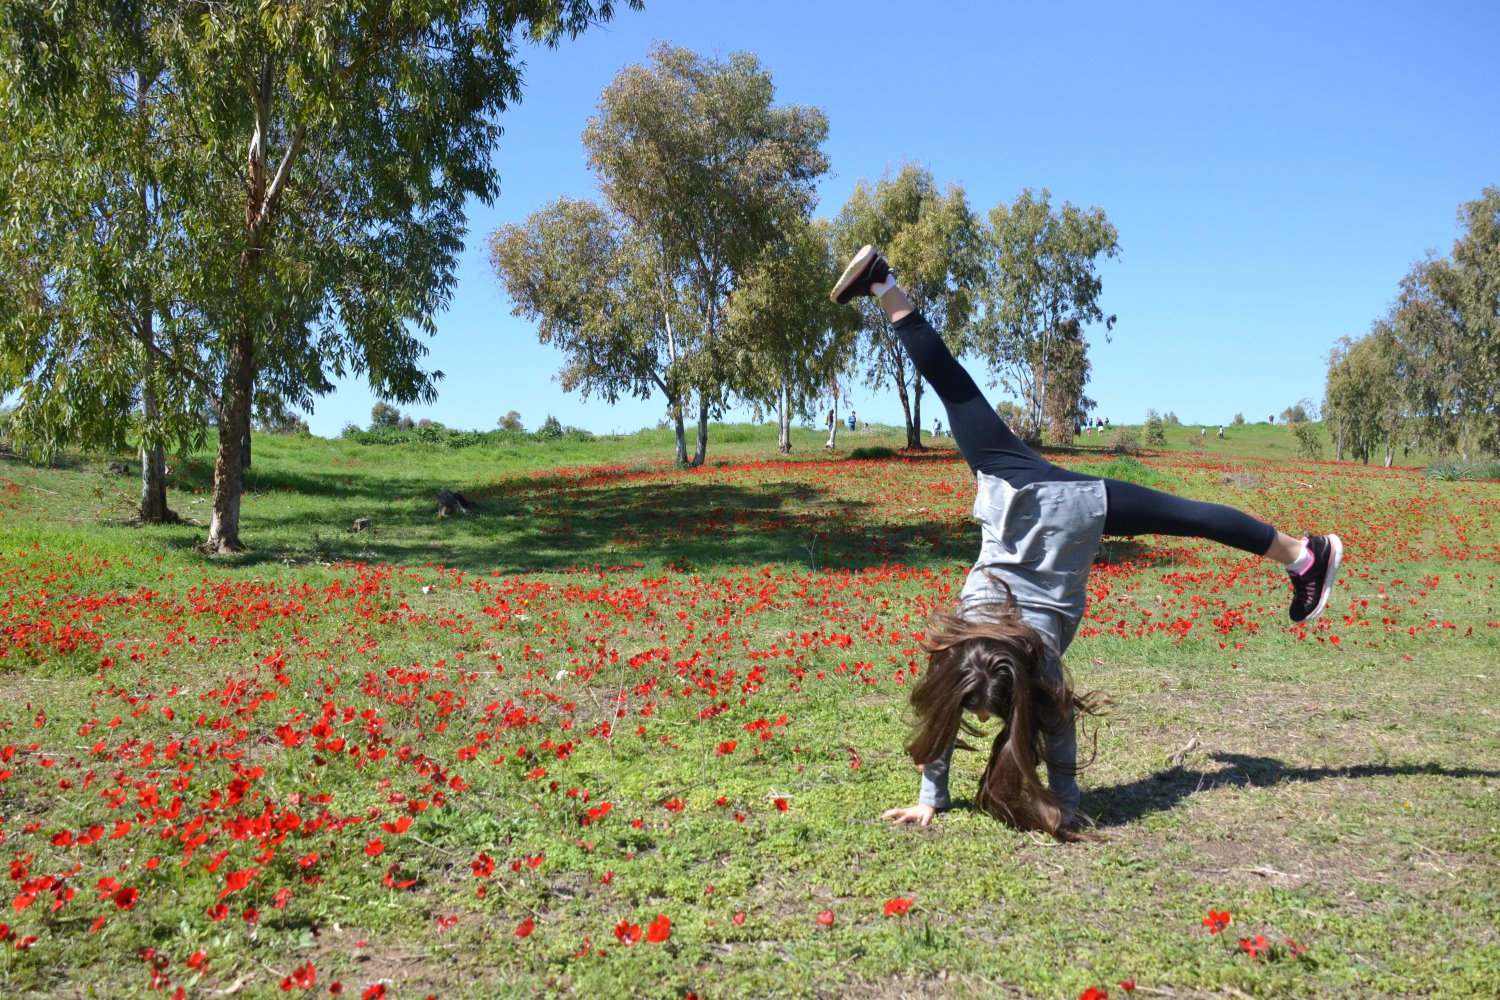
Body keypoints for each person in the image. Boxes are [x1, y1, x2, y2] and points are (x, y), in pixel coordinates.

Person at [829, 246, 1344, 840]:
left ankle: (1309, 556)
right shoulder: (958, 648)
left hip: (1068, 516)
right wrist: (944, 798)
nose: (973, 716)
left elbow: (1051, 733)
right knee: (955, 389)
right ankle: (883, 284)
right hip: (1018, 496)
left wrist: (1050, 806)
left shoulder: (1036, 664)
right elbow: (957, 707)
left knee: (1188, 518)